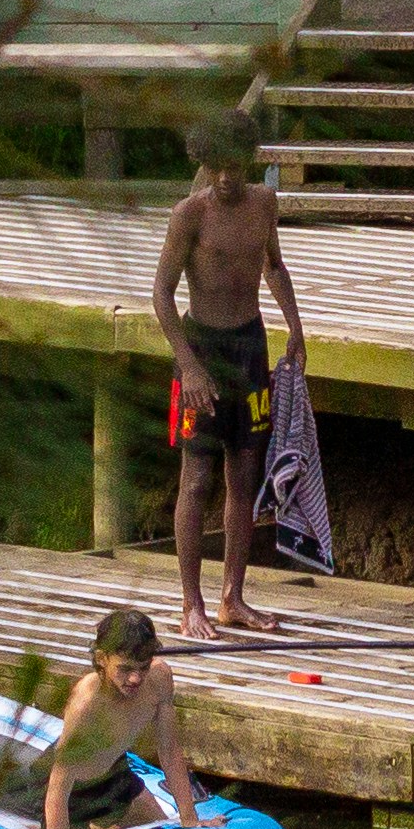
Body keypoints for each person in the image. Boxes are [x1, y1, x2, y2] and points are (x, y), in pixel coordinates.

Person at [149, 118, 308, 637]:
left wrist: (296, 330)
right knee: (196, 478)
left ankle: (232, 598)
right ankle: (190, 602)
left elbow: (275, 267)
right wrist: (188, 363)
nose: (224, 178)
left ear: (249, 163)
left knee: (244, 477)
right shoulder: (189, 215)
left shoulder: (264, 204)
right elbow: (162, 293)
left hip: (249, 345)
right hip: (202, 349)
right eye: (214, 168)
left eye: (234, 167)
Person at [41, 605, 202, 829]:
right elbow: (58, 787)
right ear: (102, 659)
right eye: (125, 669)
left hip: (116, 773)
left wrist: (189, 818)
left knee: (160, 828)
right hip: (73, 787)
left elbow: (169, 751)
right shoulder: (87, 702)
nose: (136, 679)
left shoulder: (160, 678)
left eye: (142, 667)